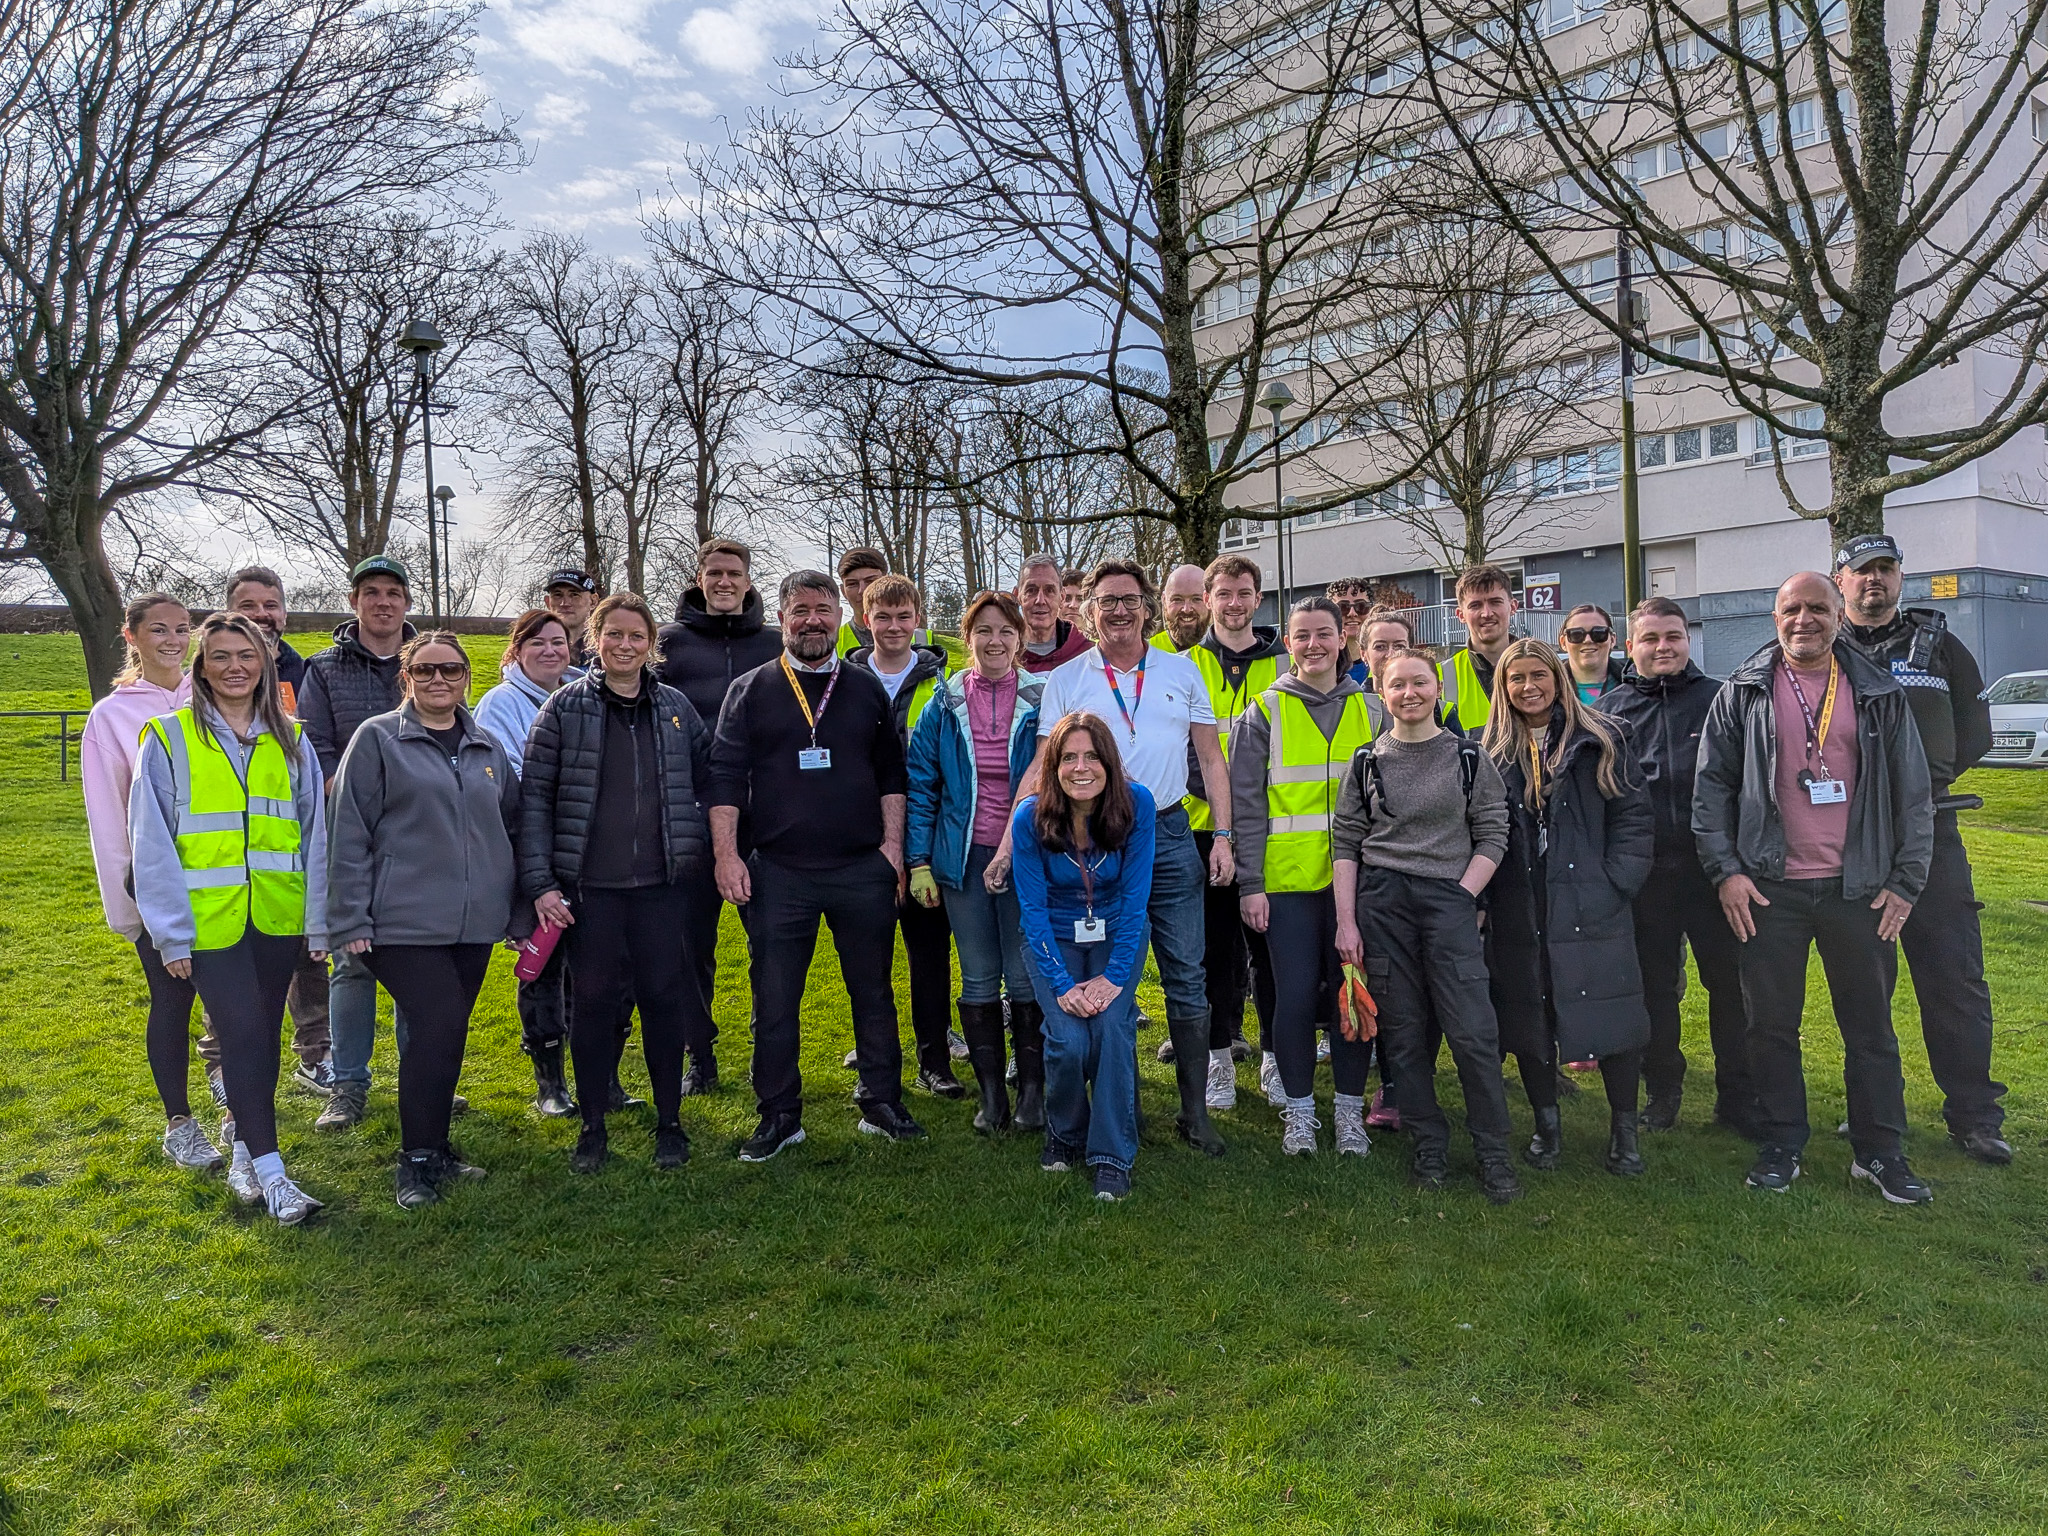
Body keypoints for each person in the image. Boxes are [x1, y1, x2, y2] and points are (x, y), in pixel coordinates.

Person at [1694, 572, 1935, 1202]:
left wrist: (1906, 883)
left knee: (1871, 1027)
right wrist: (1728, 872)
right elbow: (1711, 792)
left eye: (1818, 608)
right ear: (1775, 617)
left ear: (1839, 615)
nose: (1805, 619)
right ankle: (1781, 1143)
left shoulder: (1877, 689)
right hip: (1770, 888)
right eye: (1792, 608)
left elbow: (1914, 795)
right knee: (1770, 1026)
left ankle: (1880, 1152)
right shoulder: (1744, 690)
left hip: (1860, 889)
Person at [709, 570, 924, 1160]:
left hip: (861, 867)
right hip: (780, 870)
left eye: (824, 609)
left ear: (842, 615)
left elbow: (890, 774)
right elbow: (724, 777)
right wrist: (727, 855)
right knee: (774, 999)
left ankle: (881, 1099)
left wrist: (892, 850)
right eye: (800, 610)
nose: (813, 620)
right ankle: (779, 1114)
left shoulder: (862, 688)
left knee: (874, 992)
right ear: (782, 616)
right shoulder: (751, 690)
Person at [129, 614, 327, 1224]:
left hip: (276, 917)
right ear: (202, 666)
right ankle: (273, 1172)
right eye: (220, 656)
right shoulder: (166, 738)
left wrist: (318, 922)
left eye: (247, 655)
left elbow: (315, 834)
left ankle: (243, 1149)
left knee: (262, 1037)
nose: (235, 666)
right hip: (205, 924)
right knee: (242, 1032)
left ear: (264, 664)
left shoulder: (292, 739)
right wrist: (169, 932)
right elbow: (151, 841)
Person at [1036, 560, 1235, 1156]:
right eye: (1106, 601)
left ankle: (1194, 1111)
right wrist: (1013, 837)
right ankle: (1121, 1105)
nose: (1118, 610)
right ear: (1088, 610)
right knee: (1101, 969)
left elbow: (1212, 759)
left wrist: (1222, 834)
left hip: (1171, 834)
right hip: (1092, 841)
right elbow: (1047, 761)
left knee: (1187, 973)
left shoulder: (1182, 671)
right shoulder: (1068, 679)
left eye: (1129, 600)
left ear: (1147, 607)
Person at [328, 632, 526, 1209]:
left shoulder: (487, 747)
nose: (439, 681)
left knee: (446, 1034)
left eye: (452, 671)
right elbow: (348, 832)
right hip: (399, 922)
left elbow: (511, 832)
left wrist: (513, 911)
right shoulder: (378, 740)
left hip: (473, 924)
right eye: (426, 671)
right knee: (437, 1022)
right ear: (406, 677)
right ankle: (413, 1162)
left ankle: (436, 1149)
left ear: (468, 677)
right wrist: (349, 918)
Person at [521, 594, 715, 1174]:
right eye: (615, 635)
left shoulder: (677, 709)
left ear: (651, 644)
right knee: (595, 1006)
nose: (625, 646)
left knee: (662, 1001)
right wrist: (541, 882)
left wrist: (695, 846)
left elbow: (709, 783)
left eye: (637, 636)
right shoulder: (562, 709)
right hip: (590, 892)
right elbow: (534, 799)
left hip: (661, 888)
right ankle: (592, 1126)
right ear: (596, 640)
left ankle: (669, 1123)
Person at [1836, 533, 2009, 1163]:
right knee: (1864, 983)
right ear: (1842, 580)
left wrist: (1918, 786)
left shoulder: (1940, 647)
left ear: (1899, 577)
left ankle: (1975, 1115)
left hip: (1933, 833)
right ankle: (1873, 1112)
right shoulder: (1822, 649)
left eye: (1885, 569)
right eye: (1862, 571)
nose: (1873, 581)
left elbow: (1975, 733)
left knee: (1953, 978)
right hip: (1852, 841)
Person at [1332, 649, 1521, 1202]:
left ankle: (1493, 1152)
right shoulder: (1367, 760)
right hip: (1382, 904)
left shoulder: (1467, 757)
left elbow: (1493, 833)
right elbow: (1346, 840)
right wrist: (1348, 922)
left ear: (1437, 689)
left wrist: (1462, 894)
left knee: (1474, 1035)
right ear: (1382, 693)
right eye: (1397, 685)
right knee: (1405, 1036)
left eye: (1420, 683)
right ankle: (1429, 1144)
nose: (1409, 693)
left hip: (1449, 900)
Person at [1482, 639, 1655, 1176]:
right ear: (1503, 688)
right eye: (1517, 678)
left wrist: (1616, 882)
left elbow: (1634, 817)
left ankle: (1624, 1131)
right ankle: (1546, 1124)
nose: (1529, 687)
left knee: (1613, 1015)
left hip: (1591, 902)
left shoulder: (1602, 739)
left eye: (1540, 675)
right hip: (1521, 907)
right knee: (1530, 1018)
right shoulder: (1489, 750)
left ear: (1558, 679)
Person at [1230, 598, 1385, 1156]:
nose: (1313, 645)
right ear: (1288, 643)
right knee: (1293, 996)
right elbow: (1246, 805)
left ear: (1343, 639)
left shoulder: (1373, 711)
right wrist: (1250, 883)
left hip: (1359, 884)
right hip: (1286, 883)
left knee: (1352, 993)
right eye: (1302, 636)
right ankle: (1299, 1113)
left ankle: (1348, 1114)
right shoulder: (1263, 712)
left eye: (1324, 634)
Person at [1598, 597, 1755, 1134]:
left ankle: (1737, 1097)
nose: (1663, 648)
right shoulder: (1610, 712)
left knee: (1732, 986)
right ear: (1630, 646)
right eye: (1651, 639)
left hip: (1715, 871)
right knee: (1654, 991)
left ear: (1689, 640)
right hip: (1645, 876)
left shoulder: (1723, 700)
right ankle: (1662, 1092)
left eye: (1673, 637)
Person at [907, 592, 1046, 1133]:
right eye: (984, 631)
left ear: (1020, 639)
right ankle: (992, 1099)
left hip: (1028, 857)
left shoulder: (1043, 698)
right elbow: (922, 786)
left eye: (1006, 632)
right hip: (962, 859)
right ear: (968, 639)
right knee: (980, 973)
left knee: (1025, 971)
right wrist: (919, 860)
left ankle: (1032, 1091)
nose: (995, 641)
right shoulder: (942, 705)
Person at [654, 537, 786, 1093]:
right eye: (714, 573)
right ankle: (699, 1054)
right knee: (690, 945)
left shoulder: (775, 645)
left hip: (763, 818)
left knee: (770, 943)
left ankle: (768, 1047)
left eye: (734, 572)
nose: (724, 582)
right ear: (700, 578)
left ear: (749, 579)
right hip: (689, 813)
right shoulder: (669, 644)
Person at [83, 594, 209, 1168]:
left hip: (225, 880)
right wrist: (128, 907)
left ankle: (239, 1110)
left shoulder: (213, 696)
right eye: (158, 630)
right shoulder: (112, 716)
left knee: (238, 1005)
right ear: (131, 636)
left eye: (183, 629)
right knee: (172, 1000)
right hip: (158, 888)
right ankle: (179, 1122)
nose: (173, 640)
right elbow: (109, 816)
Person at [1012, 713, 1156, 1201]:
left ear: (1109, 763)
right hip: (1054, 938)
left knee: (1112, 1029)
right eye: (1068, 757)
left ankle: (1113, 1156)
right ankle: (1065, 1131)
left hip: (1119, 932)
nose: (1080, 768)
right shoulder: (1029, 817)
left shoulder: (1137, 805)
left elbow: (1138, 899)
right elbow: (1031, 911)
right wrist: (1061, 983)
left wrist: (1115, 978)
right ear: (1052, 766)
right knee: (1070, 1039)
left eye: (1091, 756)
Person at [301, 554, 416, 1133]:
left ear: (405, 602)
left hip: (416, 837)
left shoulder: (425, 663)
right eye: (371, 592)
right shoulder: (324, 669)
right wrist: (350, 795)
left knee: (417, 966)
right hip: (351, 836)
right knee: (353, 965)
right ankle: (347, 1085)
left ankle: (422, 1077)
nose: (383, 602)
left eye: (393, 592)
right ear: (355, 602)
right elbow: (317, 745)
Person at [1167, 555, 1285, 1109]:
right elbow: (1180, 746)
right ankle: (1217, 1061)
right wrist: (1220, 806)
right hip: (1199, 830)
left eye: (1245, 593)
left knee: (1270, 953)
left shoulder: (1287, 665)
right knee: (1212, 950)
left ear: (1257, 598)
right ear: (1207, 599)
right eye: (1224, 594)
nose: (1234, 604)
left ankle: (1274, 1059)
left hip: (1268, 835)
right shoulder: (1180, 665)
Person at [848, 574, 961, 1098]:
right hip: (859, 842)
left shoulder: (943, 685)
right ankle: (874, 1057)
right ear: (865, 621)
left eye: (903, 617)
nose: (893, 627)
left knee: (929, 956)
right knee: (866, 959)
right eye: (883, 617)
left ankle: (934, 1060)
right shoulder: (842, 681)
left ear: (918, 620)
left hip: (924, 843)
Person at [222, 565, 331, 1098]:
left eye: (272, 605)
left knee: (309, 953)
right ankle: (223, 1067)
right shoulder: (215, 675)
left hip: (290, 839)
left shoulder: (303, 671)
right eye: (250, 606)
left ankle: (315, 1055)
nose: (264, 616)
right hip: (227, 847)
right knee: (229, 962)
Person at [473, 607, 583, 1115]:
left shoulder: (585, 690)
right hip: (532, 853)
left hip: (588, 853)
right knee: (543, 967)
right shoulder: (501, 703)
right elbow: (512, 782)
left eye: (559, 641)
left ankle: (598, 1077)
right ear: (516, 650)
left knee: (597, 972)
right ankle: (550, 1083)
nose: (550, 651)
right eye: (537, 642)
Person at [1438, 564, 1518, 734]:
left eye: (1495, 602)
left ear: (1513, 607)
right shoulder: (1439, 677)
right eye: (1475, 605)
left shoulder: (1543, 668)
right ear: (1460, 615)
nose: (1487, 613)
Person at [1014, 553, 1092, 674]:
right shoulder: (1003, 656)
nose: (1040, 600)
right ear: (1017, 595)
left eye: (1049, 590)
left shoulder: (1088, 655)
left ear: (1061, 597)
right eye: (1031, 590)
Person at [1559, 604, 1626, 705]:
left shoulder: (1635, 682)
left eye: (1598, 633)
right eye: (1576, 634)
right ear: (1563, 642)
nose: (1588, 640)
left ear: (1612, 640)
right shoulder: (1548, 687)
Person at [543, 568, 601, 669]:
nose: (564, 603)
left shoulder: (604, 649)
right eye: (557, 595)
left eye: (574, 595)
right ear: (548, 602)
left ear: (593, 601)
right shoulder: (534, 647)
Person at [1325, 577, 1374, 682]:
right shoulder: (1318, 661)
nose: (1352, 613)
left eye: (1361, 606)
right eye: (1342, 607)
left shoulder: (1386, 658)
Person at [1154, 563, 1209, 652]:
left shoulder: (1226, 653)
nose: (1186, 609)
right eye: (1177, 599)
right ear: (1164, 601)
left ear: (1209, 600)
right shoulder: (1145, 654)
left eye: (1196, 599)